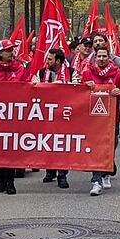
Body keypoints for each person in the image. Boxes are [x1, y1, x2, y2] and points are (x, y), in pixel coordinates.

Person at [80, 47, 120, 196]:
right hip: (93, 120)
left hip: (111, 118)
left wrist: (119, 92)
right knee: (96, 149)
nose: (101, 59)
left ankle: (107, 169)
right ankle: (96, 180)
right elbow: (79, 92)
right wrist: (85, 87)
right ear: (95, 58)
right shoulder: (87, 73)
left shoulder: (117, 73)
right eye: (99, 56)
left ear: (109, 58)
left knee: (108, 147)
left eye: (104, 56)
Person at [0, 39, 27, 194]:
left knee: (11, 149)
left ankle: (10, 181)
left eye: (11, 50)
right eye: (7, 50)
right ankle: (1, 180)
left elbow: (27, 85)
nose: (10, 52)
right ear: (0, 53)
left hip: (14, 114)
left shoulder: (20, 68)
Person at [34, 48, 73, 189]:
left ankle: (62, 175)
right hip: (45, 115)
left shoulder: (72, 72)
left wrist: (62, 86)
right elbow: (33, 86)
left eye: (50, 59)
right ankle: (49, 171)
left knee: (61, 145)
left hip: (64, 115)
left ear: (58, 61)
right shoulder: (41, 72)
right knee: (48, 143)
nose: (47, 61)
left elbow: (79, 87)